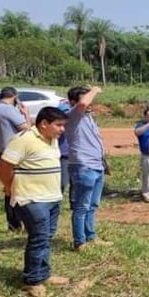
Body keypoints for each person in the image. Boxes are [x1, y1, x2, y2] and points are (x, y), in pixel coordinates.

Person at [0, 107, 69, 297]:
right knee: (39, 238)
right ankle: (31, 280)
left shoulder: (52, 140)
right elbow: (5, 166)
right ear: (44, 124)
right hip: (30, 198)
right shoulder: (23, 140)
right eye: (59, 125)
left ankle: (43, 274)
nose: (62, 129)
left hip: (52, 197)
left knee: (46, 236)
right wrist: (9, 186)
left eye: (63, 125)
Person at [65, 86, 112, 251]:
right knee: (81, 206)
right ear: (72, 102)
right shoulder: (73, 115)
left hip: (96, 165)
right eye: (85, 98)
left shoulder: (87, 117)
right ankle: (80, 242)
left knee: (92, 205)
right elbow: (83, 103)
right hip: (83, 166)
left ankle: (90, 236)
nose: (90, 102)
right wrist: (94, 90)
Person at [0, 86, 30, 231]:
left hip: (0, 153)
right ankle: (22, 220)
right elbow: (26, 128)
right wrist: (25, 114)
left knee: (8, 187)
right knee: (20, 187)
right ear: (15, 96)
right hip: (14, 153)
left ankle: (13, 223)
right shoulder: (9, 110)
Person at [134, 108, 149, 202]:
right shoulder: (141, 125)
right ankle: (147, 194)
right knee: (147, 175)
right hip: (146, 155)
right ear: (145, 116)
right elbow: (137, 132)